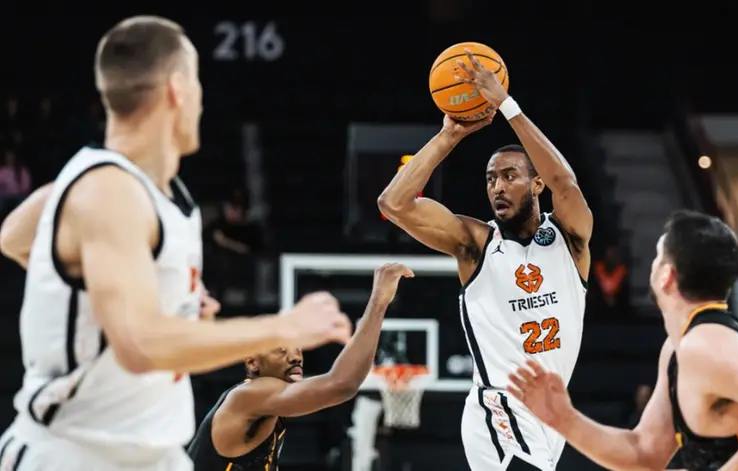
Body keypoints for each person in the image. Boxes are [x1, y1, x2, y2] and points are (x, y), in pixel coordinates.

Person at [0, 16, 351, 471]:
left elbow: (16, 237)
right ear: (177, 89)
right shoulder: (107, 189)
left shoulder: (146, 191)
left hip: (149, 452)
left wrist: (164, 303)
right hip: (78, 455)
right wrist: (282, 327)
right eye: (199, 88)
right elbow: (141, 345)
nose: (201, 105)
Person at [378, 49, 592, 470]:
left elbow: (565, 182)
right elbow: (394, 204)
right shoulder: (475, 243)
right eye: (491, 178)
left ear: (536, 184)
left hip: (552, 416)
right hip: (499, 407)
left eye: (510, 176)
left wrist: (507, 105)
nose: (497, 186)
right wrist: (449, 137)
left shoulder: (569, 240)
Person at [508, 210, 738, 471]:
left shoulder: (704, 344)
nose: (651, 264)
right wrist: (564, 420)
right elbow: (645, 454)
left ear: (667, 275)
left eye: (658, 255)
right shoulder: (680, 347)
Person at [188, 263, 414, 470]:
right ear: (252, 362)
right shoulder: (250, 394)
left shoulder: (268, 402)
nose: (295, 357)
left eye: (297, 349)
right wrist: (379, 302)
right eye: (281, 351)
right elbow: (342, 384)